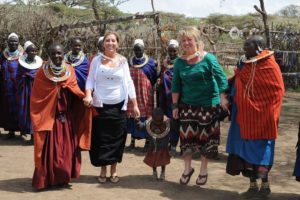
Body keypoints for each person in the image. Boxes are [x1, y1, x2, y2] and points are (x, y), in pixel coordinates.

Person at [226, 35, 285, 197]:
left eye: (248, 45)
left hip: (263, 117)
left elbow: (277, 91)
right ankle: (252, 185)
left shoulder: (269, 65)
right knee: (243, 148)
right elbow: (238, 81)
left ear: (258, 46)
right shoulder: (243, 62)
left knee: (261, 148)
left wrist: (266, 110)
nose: (244, 48)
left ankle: (265, 185)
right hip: (243, 115)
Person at [171, 26, 228, 186]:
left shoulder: (208, 58)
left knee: (206, 140)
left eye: (189, 39)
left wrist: (223, 97)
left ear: (196, 41)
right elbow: (175, 86)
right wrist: (175, 106)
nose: (186, 43)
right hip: (187, 106)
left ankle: (203, 169)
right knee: (186, 141)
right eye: (183, 41)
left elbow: (221, 78)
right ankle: (187, 169)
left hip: (208, 106)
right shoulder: (179, 63)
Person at [30, 43, 92, 190]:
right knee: (49, 152)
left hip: (66, 119)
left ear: (64, 54)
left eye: (59, 53)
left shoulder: (70, 70)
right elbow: (37, 99)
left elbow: (75, 88)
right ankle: (47, 180)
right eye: (53, 54)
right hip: (49, 119)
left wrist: (82, 98)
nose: (57, 56)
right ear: (49, 55)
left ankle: (63, 178)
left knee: (65, 151)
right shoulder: (42, 73)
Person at [83, 32, 140, 184]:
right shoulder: (96, 60)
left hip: (119, 107)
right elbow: (90, 79)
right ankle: (102, 170)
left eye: (113, 40)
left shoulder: (123, 61)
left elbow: (128, 82)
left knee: (117, 140)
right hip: (100, 107)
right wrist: (88, 95)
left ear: (118, 43)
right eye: (107, 40)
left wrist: (134, 104)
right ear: (103, 44)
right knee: (101, 140)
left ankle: (114, 170)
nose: (110, 43)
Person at [127, 38, 158, 150]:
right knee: (132, 114)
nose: (138, 52)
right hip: (133, 94)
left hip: (145, 93)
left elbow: (154, 77)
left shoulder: (151, 62)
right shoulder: (128, 62)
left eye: (140, 50)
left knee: (146, 114)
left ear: (143, 49)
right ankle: (132, 142)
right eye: (136, 50)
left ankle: (147, 142)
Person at [135, 107, 171, 181]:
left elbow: (176, 126)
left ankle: (163, 172)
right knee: (153, 160)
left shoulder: (168, 121)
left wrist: (177, 119)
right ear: (152, 118)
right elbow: (141, 127)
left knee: (163, 160)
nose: (157, 123)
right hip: (153, 146)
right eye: (156, 121)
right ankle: (154, 172)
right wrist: (137, 121)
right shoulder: (148, 122)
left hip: (163, 147)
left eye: (159, 121)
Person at [16, 41, 43, 140]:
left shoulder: (39, 64)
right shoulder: (21, 64)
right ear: (26, 52)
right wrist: (25, 77)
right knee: (26, 111)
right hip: (25, 90)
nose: (34, 52)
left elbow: (42, 77)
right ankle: (27, 130)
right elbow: (18, 76)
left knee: (35, 111)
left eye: (35, 51)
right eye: (31, 51)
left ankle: (34, 134)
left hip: (36, 90)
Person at [158, 39, 180, 155]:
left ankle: (174, 144)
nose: (172, 53)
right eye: (170, 51)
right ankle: (166, 143)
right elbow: (160, 75)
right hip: (164, 98)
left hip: (176, 98)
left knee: (175, 122)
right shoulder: (165, 63)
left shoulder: (181, 63)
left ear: (178, 51)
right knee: (166, 121)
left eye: (174, 51)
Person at [0, 32, 22, 138]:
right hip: (6, 86)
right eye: (11, 41)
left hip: (19, 87)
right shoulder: (3, 55)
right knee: (8, 108)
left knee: (19, 107)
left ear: (18, 43)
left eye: (15, 41)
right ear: (8, 43)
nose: (13, 43)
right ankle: (11, 131)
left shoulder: (23, 55)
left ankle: (22, 130)